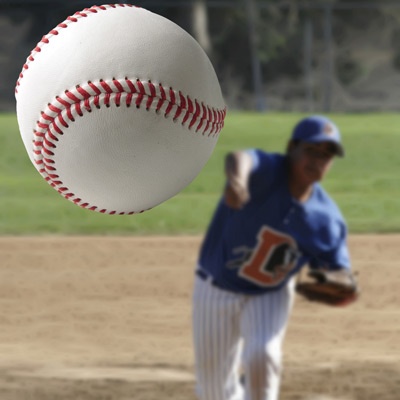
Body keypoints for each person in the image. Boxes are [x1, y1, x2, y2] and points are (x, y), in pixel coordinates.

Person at [192, 115, 357, 400]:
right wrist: (238, 182)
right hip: (215, 286)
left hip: (270, 294)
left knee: (263, 356)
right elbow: (240, 158)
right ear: (292, 147)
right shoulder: (268, 172)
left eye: (327, 156)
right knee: (214, 390)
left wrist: (340, 283)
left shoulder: (326, 220)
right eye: (312, 151)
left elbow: (340, 271)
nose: (318, 161)